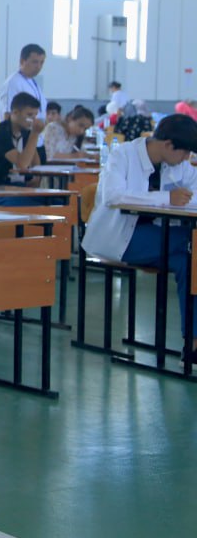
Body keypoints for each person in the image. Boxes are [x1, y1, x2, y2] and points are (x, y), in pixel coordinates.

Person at [83, 114, 197, 362]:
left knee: (190, 264)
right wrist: (167, 198)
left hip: (155, 238)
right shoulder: (122, 155)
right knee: (193, 244)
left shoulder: (178, 164)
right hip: (119, 238)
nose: (187, 159)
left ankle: (192, 342)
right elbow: (114, 196)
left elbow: (194, 189)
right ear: (168, 145)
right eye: (185, 152)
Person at [0, 92, 48, 202]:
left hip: (20, 187)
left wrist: (36, 178)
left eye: (35, 115)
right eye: (29, 115)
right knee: (36, 205)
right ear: (15, 112)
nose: (34, 120)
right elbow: (22, 164)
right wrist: (35, 133)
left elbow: (36, 162)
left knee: (57, 201)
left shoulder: (26, 132)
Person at [0, 44, 47, 120]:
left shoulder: (33, 82)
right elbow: (8, 115)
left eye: (41, 63)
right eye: (35, 62)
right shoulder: (12, 83)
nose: (39, 67)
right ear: (22, 61)